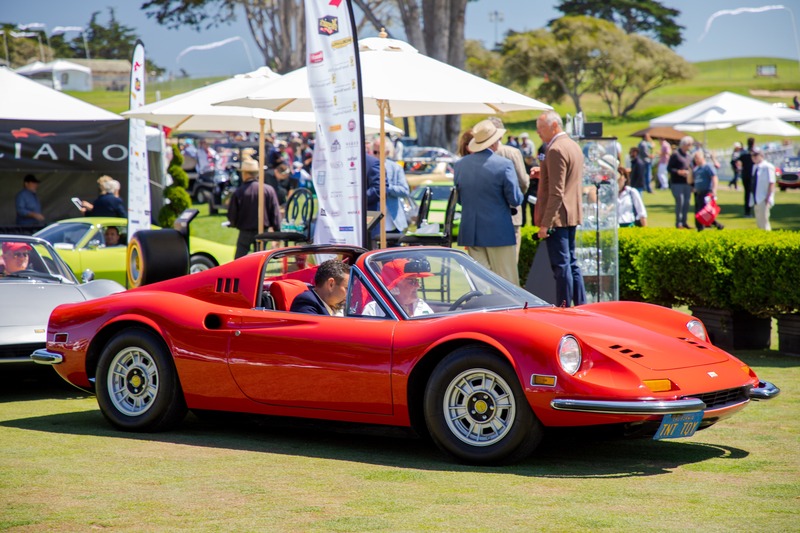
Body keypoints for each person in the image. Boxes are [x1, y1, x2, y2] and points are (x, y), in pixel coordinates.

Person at [454, 119, 523, 285]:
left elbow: (461, 200)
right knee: (507, 282)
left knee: (480, 283)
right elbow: (515, 199)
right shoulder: (504, 164)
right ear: (494, 142)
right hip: (498, 232)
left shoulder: (460, 165)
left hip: (471, 231)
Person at [533, 110, 586, 308]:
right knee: (572, 264)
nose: (538, 133)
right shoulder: (572, 145)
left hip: (558, 217)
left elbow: (556, 192)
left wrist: (545, 224)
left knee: (562, 266)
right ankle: (581, 306)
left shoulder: (555, 149)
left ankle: (564, 307)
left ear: (555, 126)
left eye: (541, 129)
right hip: (572, 213)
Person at [489, 117, 529, 260]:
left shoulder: (479, 154)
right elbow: (523, 181)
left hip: (488, 215)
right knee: (511, 262)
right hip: (512, 213)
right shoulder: (512, 152)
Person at [227, 159, 282, 259]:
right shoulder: (268, 190)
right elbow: (275, 214)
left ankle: (239, 274)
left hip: (245, 231)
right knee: (260, 261)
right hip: (262, 232)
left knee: (239, 260)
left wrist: (233, 223)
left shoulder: (239, 192)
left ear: (245, 174)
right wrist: (277, 230)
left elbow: (232, 214)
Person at [362, 258, 434, 317]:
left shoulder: (422, 306)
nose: (417, 286)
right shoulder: (374, 310)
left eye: (417, 280)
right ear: (395, 287)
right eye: (412, 281)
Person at [372, 138, 411, 239]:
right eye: (374, 152)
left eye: (378, 152)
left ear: (387, 152)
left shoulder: (396, 168)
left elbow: (405, 190)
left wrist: (387, 188)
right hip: (374, 223)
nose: (376, 155)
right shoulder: (368, 167)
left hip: (394, 222)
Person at [692, 151, 724, 231]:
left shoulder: (708, 167)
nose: (696, 160)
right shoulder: (696, 169)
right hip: (698, 193)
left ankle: (702, 228)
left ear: (702, 157)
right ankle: (715, 225)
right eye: (695, 158)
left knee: (705, 212)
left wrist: (714, 190)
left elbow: (714, 178)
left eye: (697, 158)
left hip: (706, 192)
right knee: (699, 211)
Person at [667, 136, 694, 229]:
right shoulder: (675, 155)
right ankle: (678, 222)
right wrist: (679, 172)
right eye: (689, 144)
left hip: (687, 183)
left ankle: (684, 221)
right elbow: (669, 168)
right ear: (684, 144)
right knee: (680, 202)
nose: (690, 146)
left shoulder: (688, 156)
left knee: (687, 202)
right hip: (677, 182)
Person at [749, 147, 776, 230]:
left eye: (756, 155)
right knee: (759, 222)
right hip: (756, 197)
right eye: (752, 155)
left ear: (761, 155)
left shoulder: (767, 167)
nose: (754, 157)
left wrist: (768, 197)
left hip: (763, 197)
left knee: (764, 222)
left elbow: (772, 182)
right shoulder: (755, 167)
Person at [615, 163, 648, 227]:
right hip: (614, 226)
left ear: (625, 179)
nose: (618, 181)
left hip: (628, 224)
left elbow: (642, 213)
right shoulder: (609, 194)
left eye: (620, 178)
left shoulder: (631, 192)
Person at [739, 137, 756, 217]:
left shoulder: (743, 153)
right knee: (753, 193)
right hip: (752, 175)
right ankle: (751, 210)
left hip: (745, 175)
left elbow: (736, 161)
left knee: (747, 193)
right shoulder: (754, 153)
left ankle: (747, 211)